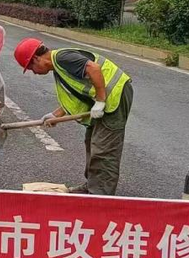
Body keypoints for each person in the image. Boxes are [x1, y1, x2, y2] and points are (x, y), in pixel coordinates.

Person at [14, 38, 133, 196]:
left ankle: (100, 196)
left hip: (115, 97)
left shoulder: (63, 59)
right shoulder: (58, 67)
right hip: (105, 99)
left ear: (36, 58)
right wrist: (55, 115)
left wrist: (101, 100)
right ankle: (92, 186)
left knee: (103, 148)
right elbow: (76, 97)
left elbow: (94, 68)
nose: (34, 72)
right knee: (91, 142)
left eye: (31, 68)